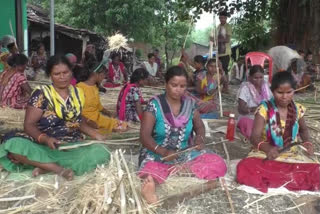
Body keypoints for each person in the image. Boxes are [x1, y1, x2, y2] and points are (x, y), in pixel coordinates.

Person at [0, 55, 110, 180]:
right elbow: (29, 125)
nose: (62, 77)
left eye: (65, 72)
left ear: (71, 72)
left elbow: (79, 121)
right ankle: (58, 169)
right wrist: (46, 139)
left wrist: (96, 135)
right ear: (50, 75)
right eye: (57, 74)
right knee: (14, 145)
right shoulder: (42, 94)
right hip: (44, 145)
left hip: (71, 145)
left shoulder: (77, 93)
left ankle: (45, 166)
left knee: (101, 151)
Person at [139, 66, 227, 204]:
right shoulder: (154, 104)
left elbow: (199, 127)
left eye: (182, 86)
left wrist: (199, 138)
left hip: (184, 153)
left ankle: (180, 171)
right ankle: (154, 184)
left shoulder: (190, 104)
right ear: (166, 84)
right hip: (156, 152)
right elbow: (144, 136)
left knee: (218, 163)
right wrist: (163, 151)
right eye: (174, 85)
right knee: (149, 170)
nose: (178, 89)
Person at [237, 71, 319, 193]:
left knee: (316, 171)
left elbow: (304, 130)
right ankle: (288, 180)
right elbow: (254, 138)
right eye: (279, 92)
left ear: (294, 90)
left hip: (292, 155)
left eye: (289, 92)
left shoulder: (298, 109)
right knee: (246, 168)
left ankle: (280, 179)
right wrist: (268, 149)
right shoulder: (264, 109)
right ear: (272, 91)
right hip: (265, 154)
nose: (284, 97)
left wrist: (308, 143)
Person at [77, 59, 127, 133]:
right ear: (96, 74)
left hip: (98, 119)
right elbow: (76, 111)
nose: (104, 78)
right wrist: (89, 122)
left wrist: (109, 113)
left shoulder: (94, 87)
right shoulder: (79, 88)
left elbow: (98, 106)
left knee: (124, 126)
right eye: (103, 75)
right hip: (88, 123)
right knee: (119, 128)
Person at [237, 65, 272, 139]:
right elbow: (241, 109)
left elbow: (273, 103)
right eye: (255, 78)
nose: (259, 80)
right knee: (251, 131)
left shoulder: (267, 87)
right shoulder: (245, 89)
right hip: (249, 117)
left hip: (264, 118)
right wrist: (257, 109)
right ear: (249, 78)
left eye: (261, 77)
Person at [211, 11, 232, 81]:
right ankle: (220, 84)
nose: (222, 19)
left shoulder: (228, 26)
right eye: (220, 18)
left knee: (224, 69)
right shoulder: (217, 27)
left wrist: (215, 40)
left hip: (226, 52)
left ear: (226, 18)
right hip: (218, 52)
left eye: (223, 18)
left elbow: (227, 39)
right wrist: (213, 41)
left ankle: (226, 86)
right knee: (218, 69)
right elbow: (215, 40)